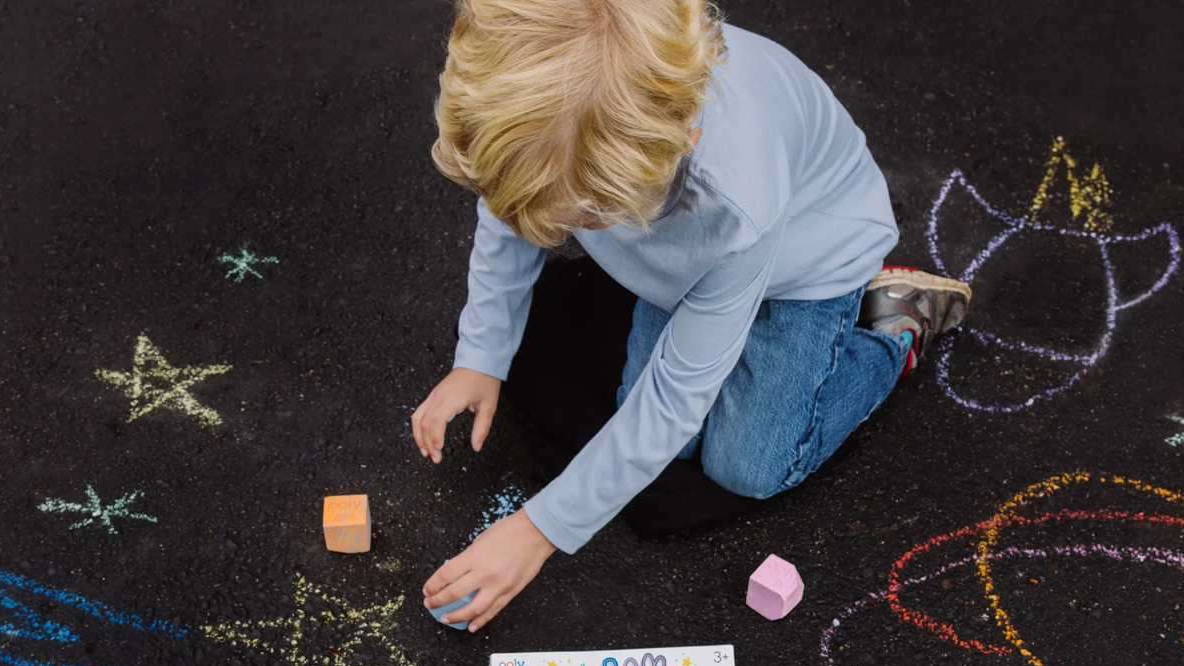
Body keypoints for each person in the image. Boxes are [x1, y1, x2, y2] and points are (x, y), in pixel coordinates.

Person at [413, 0, 970, 632]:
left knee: (750, 466)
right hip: (690, 262)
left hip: (808, 264)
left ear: (679, 149)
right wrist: (481, 357)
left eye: (576, 220)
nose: (554, 233)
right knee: (662, 445)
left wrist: (538, 530)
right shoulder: (573, 116)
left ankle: (891, 329)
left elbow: (676, 398)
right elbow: (509, 207)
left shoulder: (734, 198)